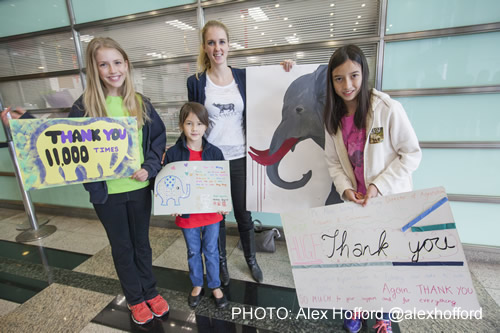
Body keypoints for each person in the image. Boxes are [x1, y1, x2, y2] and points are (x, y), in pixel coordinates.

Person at [2, 37, 168, 325]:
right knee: (122, 247)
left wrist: (150, 167)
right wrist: (24, 122)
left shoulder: (141, 104)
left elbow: (156, 142)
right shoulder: (85, 106)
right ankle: (135, 298)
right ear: (95, 69)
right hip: (107, 195)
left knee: (142, 244)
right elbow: (60, 137)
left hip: (139, 189)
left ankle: (150, 290)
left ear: (126, 64)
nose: (112, 69)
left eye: (117, 62)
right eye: (103, 64)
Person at [323, 45, 422, 333]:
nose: (347, 85)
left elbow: (412, 154)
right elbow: (333, 164)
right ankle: (356, 306)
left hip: (387, 202)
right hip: (355, 203)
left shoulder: (387, 109)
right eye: (339, 79)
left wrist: (379, 186)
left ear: (364, 74)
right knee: (356, 259)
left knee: (384, 261)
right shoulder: (332, 117)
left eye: (353, 76)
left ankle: (382, 314)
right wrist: (345, 190)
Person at [163, 101, 228, 309]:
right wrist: (171, 203)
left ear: (206, 126)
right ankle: (198, 284)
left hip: (211, 214)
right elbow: (168, 184)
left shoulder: (215, 153)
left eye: (199, 124)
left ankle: (215, 285)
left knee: (211, 249)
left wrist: (224, 203)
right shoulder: (173, 154)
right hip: (188, 215)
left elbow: (222, 183)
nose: (194, 129)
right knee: (193, 251)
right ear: (181, 125)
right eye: (189, 123)